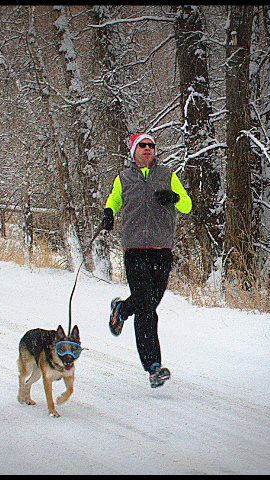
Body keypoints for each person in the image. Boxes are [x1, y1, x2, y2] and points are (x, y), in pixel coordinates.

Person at [101, 133, 192, 388]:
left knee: (150, 302)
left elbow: (187, 205)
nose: (148, 149)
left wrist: (174, 198)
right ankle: (153, 367)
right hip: (135, 249)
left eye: (151, 146)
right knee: (146, 308)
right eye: (143, 145)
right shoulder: (124, 178)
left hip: (162, 247)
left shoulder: (167, 175)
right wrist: (109, 212)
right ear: (134, 150)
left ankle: (121, 309)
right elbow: (115, 199)